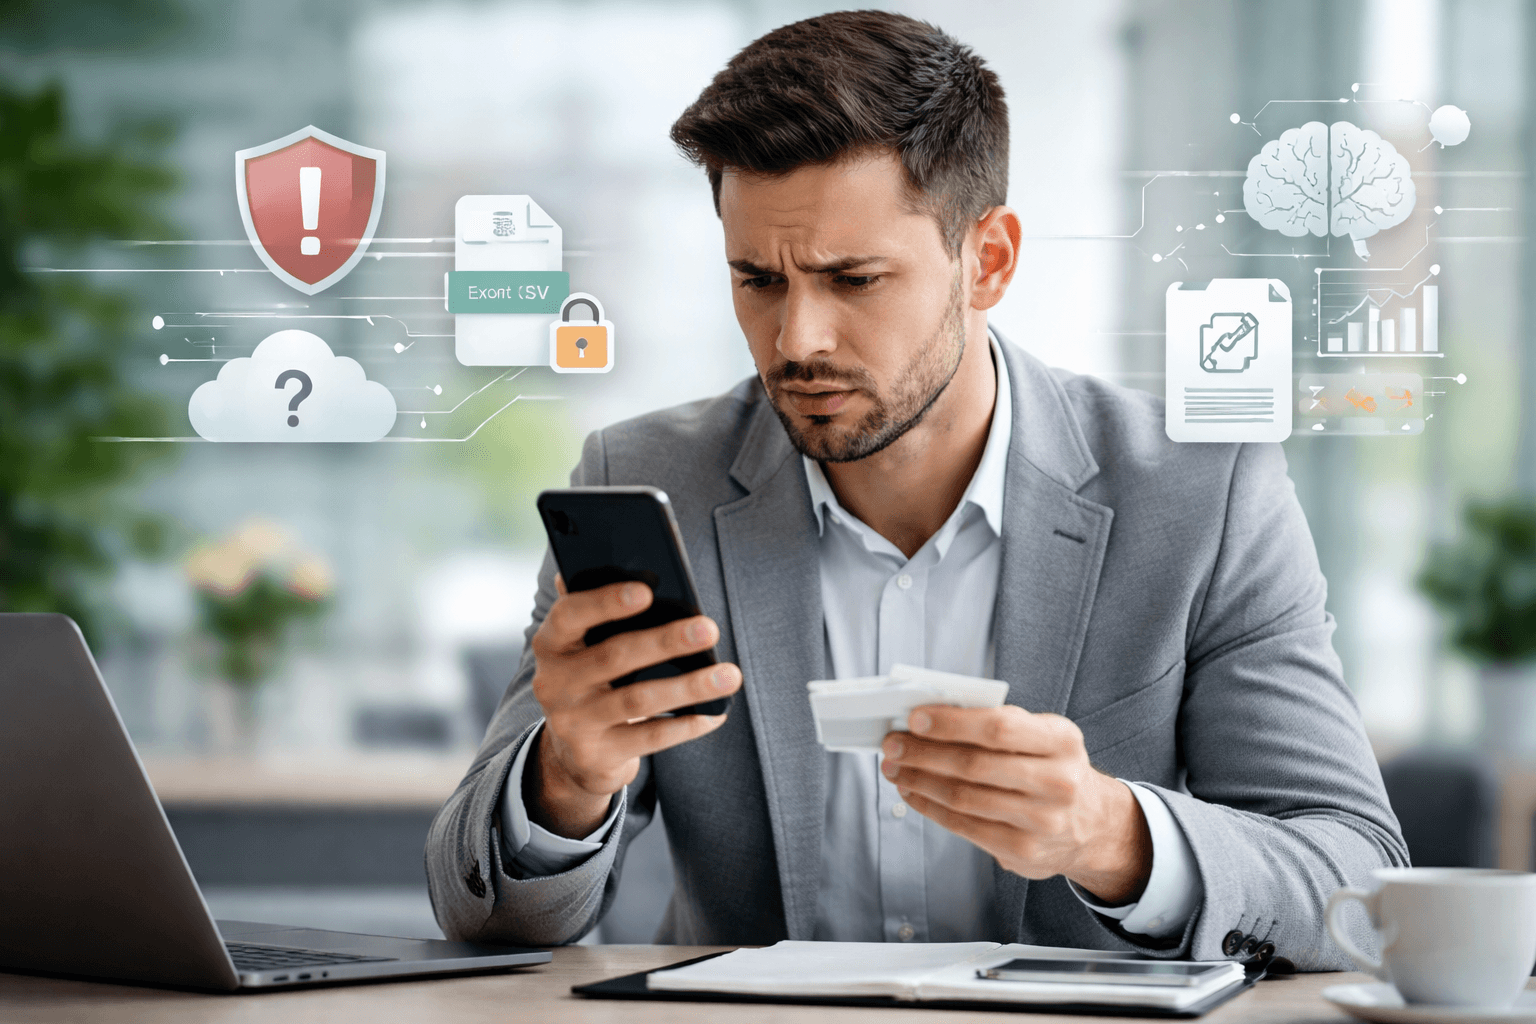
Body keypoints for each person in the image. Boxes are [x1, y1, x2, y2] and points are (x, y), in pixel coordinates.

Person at [426, 10, 1406, 965]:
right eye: (757, 280)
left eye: (853, 280)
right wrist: (567, 776)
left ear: (988, 259)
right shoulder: (646, 483)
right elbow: (482, 913)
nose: (797, 340)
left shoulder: (1204, 492)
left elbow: (1354, 880)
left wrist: (1110, 834)